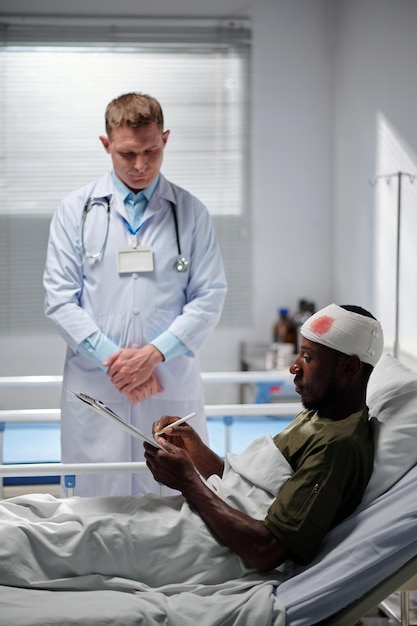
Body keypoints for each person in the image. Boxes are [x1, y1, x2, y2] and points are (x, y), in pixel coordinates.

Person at [0, 303, 384, 589]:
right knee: (48, 509)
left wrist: (189, 483)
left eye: (308, 357)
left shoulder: (339, 445)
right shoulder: (320, 415)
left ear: (350, 368)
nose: (294, 367)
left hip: (213, 547)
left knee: (64, 536)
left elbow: (267, 550)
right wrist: (195, 450)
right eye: (300, 354)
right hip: (207, 518)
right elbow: (252, 490)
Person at [43, 92, 227, 497]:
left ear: (165, 139)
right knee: (95, 508)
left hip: (166, 379)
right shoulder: (75, 210)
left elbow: (209, 296)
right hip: (100, 383)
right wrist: (117, 363)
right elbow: (59, 299)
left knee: (173, 506)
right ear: (106, 145)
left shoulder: (191, 212)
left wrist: (153, 355)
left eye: (151, 151)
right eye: (127, 154)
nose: (141, 165)